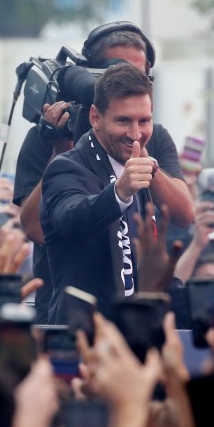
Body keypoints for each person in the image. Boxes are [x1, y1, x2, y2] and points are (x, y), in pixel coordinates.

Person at [14, 22, 193, 322]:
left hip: (140, 319)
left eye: (138, 75)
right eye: (114, 72)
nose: (135, 131)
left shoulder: (152, 137)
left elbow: (185, 214)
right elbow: (38, 227)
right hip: (77, 317)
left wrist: (143, 158)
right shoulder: (54, 144)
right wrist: (63, 148)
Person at [40, 64, 163, 322]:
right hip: (79, 340)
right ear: (95, 117)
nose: (136, 133)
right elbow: (71, 219)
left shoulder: (139, 169)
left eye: (144, 120)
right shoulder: (66, 167)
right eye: (123, 120)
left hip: (131, 340)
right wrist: (119, 192)